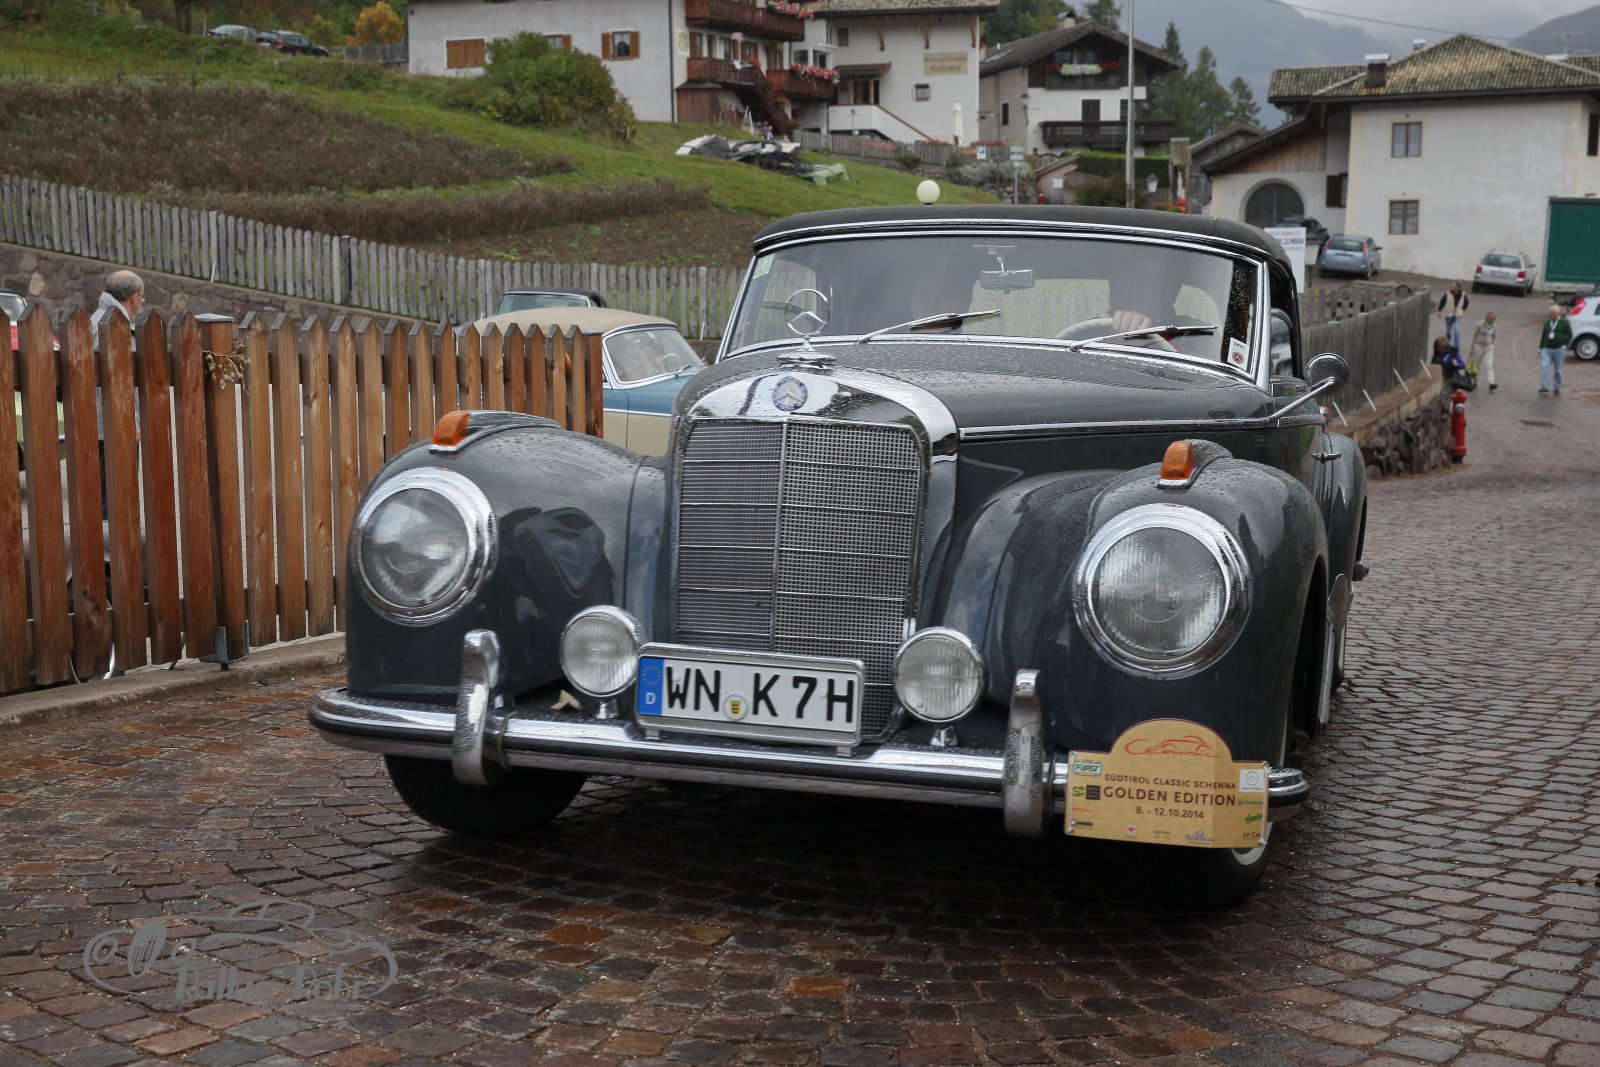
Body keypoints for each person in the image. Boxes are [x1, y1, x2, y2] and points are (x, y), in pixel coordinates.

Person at [87, 270, 144, 517]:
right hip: (111, 426)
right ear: (134, 297)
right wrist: (132, 422)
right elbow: (115, 382)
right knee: (113, 497)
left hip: (103, 424)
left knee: (108, 495)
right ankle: (111, 541)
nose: (141, 302)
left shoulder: (98, 319)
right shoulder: (114, 324)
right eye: (141, 297)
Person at [1538, 304, 1573, 396]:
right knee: (1545, 367)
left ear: (1558, 313)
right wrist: (1540, 348)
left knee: (1558, 369)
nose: (1552, 315)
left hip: (1559, 349)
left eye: (1554, 314)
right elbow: (1544, 335)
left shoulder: (1564, 322)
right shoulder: (1547, 323)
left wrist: (1565, 345)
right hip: (1546, 349)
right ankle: (1544, 387)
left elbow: (1570, 335)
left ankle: (1557, 386)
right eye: (1551, 314)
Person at [1469, 310, 1497, 392]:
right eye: (1490, 319)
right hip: (1478, 346)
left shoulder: (1494, 326)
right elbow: (1474, 336)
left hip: (1489, 347)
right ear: (1486, 318)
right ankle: (1474, 381)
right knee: (1476, 365)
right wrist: (1471, 348)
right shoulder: (1479, 324)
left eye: (1493, 320)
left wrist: (1492, 344)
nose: (1491, 321)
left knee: (1489, 365)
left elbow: (1494, 336)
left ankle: (1491, 383)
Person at [1437, 281, 1469, 351]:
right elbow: (1442, 301)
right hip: (1449, 314)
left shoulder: (1463, 294)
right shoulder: (1448, 293)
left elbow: (1466, 302)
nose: (1452, 287)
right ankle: (1447, 345)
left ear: (1458, 287)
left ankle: (1456, 347)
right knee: (1448, 332)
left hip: (1458, 315)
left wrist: (1463, 309)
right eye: (1451, 286)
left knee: (1456, 330)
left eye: (1453, 286)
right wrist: (1439, 310)